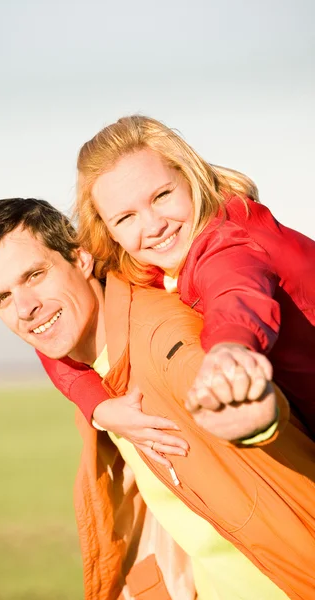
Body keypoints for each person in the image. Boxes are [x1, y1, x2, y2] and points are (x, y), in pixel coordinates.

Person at [0, 198, 315, 600]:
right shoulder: (90, 365)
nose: (25, 308)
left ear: (81, 260)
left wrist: (253, 410)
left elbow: (246, 406)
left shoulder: (167, 343)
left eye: (36, 275)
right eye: (2, 299)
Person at [45, 114, 315, 445]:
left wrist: (229, 351)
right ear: (108, 229)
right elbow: (46, 321)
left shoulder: (228, 239)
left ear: (189, 176)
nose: (153, 225)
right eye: (126, 217)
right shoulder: (143, 257)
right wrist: (98, 407)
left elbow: (235, 290)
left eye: (161, 196)